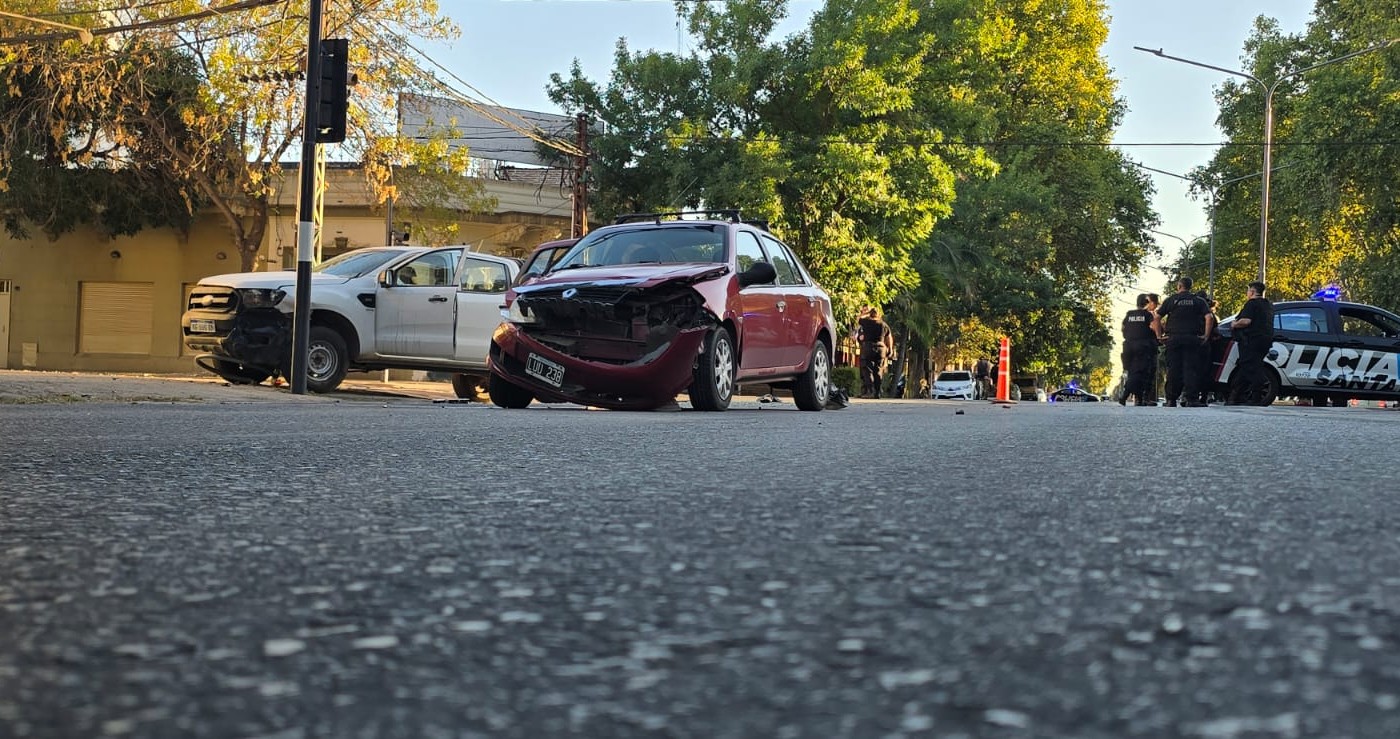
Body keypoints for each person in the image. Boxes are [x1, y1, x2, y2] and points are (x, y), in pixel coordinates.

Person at [1156, 277, 1211, 407]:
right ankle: (1192, 399)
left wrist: (1159, 335)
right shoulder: (1198, 301)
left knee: (1174, 369)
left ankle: (1171, 399)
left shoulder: (1171, 300)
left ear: (1179, 286)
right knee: (1190, 368)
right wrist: (1206, 335)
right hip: (1192, 338)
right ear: (1190, 286)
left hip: (1173, 338)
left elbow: (1157, 317)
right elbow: (1209, 317)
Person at [1228, 281, 1275, 406]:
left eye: (1248, 290)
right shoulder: (1268, 305)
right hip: (1265, 341)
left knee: (1252, 367)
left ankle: (1256, 396)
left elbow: (1246, 321)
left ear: (1253, 292)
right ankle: (1237, 396)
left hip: (1251, 340)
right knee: (1246, 366)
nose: (1247, 293)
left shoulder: (1251, 304)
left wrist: (1234, 324)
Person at [1119, 293, 1161, 405]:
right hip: (1143, 347)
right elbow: (1153, 327)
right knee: (1140, 373)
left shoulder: (1129, 314)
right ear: (1147, 303)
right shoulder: (1147, 315)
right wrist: (1159, 337)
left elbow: (1123, 328)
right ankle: (1125, 395)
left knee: (1133, 371)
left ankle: (1139, 399)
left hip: (1128, 346)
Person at [857, 307, 892, 398]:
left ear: (870, 314)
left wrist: (866, 313)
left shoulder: (866, 322)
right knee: (878, 370)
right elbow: (889, 337)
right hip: (881, 348)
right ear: (879, 314)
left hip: (868, 347)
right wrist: (890, 349)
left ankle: (870, 391)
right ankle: (877, 392)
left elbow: (858, 318)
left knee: (867, 369)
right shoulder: (884, 324)